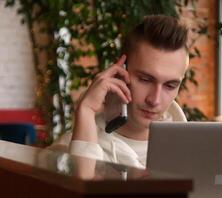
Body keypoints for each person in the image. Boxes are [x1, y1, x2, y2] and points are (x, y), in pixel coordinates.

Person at [49, 15, 189, 169]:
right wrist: (86, 110)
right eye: (145, 79)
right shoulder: (65, 151)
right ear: (119, 71)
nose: (154, 100)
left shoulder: (192, 149)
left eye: (170, 86)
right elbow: (83, 187)